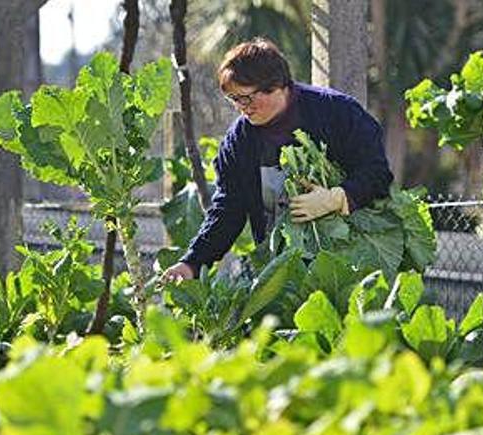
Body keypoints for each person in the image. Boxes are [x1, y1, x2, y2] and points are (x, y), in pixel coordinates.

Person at [162, 37, 393, 282]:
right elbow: (228, 209)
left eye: (246, 97)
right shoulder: (238, 142)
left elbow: (377, 173)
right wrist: (192, 262)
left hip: (349, 264)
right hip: (281, 269)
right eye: (234, 99)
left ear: (276, 86)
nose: (242, 107)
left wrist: (337, 198)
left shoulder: (336, 112)